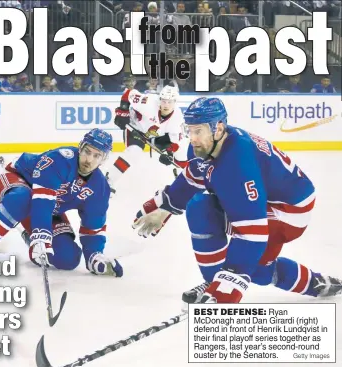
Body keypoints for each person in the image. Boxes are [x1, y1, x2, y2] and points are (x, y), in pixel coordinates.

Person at [132, 97, 341, 304]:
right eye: (190, 130)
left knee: (258, 270)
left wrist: (228, 288)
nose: (192, 138)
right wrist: (164, 210)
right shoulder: (208, 145)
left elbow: (252, 234)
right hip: (266, 195)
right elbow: (193, 178)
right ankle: (214, 281)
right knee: (199, 207)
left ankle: (316, 283)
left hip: (289, 210)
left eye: (198, 131)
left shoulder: (238, 164)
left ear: (219, 128)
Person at [0, 128, 124, 278]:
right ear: (80, 147)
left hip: (49, 208)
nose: (89, 159)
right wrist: (42, 234)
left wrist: (95, 256)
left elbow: (92, 227)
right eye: (87, 151)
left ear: (104, 159)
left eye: (97, 156)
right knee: (22, 199)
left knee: (68, 258)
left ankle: (28, 234)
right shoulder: (60, 160)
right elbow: (43, 199)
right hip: (18, 179)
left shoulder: (100, 188)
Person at [104, 84, 189, 196]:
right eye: (164, 101)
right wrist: (122, 113)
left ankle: (186, 181)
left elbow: (172, 142)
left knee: (181, 153)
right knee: (134, 152)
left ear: (175, 102)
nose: (166, 105)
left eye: (170, 102)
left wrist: (167, 153)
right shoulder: (148, 102)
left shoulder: (177, 118)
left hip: (153, 136)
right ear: (159, 100)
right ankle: (108, 181)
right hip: (135, 127)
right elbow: (128, 93)